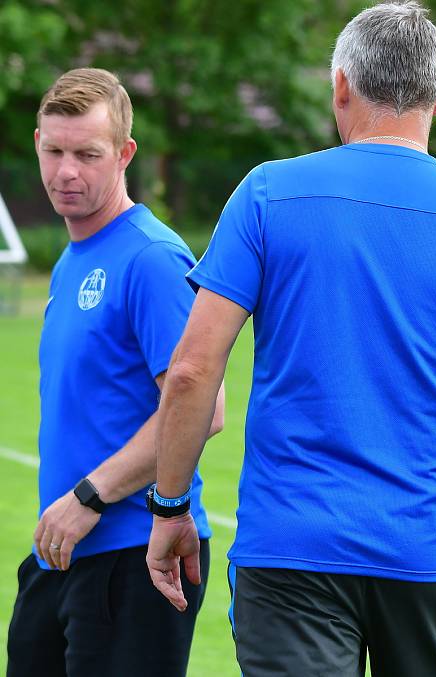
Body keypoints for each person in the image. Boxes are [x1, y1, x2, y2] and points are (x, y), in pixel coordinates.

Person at [145, 4, 436, 676]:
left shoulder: (268, 194)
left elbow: (193, 370)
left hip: (292, 546)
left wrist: (170, 504)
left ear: (340, 85)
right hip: (431, 549)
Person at [6, 68, 223, 677]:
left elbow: (204, 407)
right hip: (61, 556)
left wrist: (89, 496)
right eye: (54, 151)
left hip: (136, 555)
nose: (66, 171)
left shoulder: (151, 258)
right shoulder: (71, 261)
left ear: (124, 154)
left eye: (87, 154)